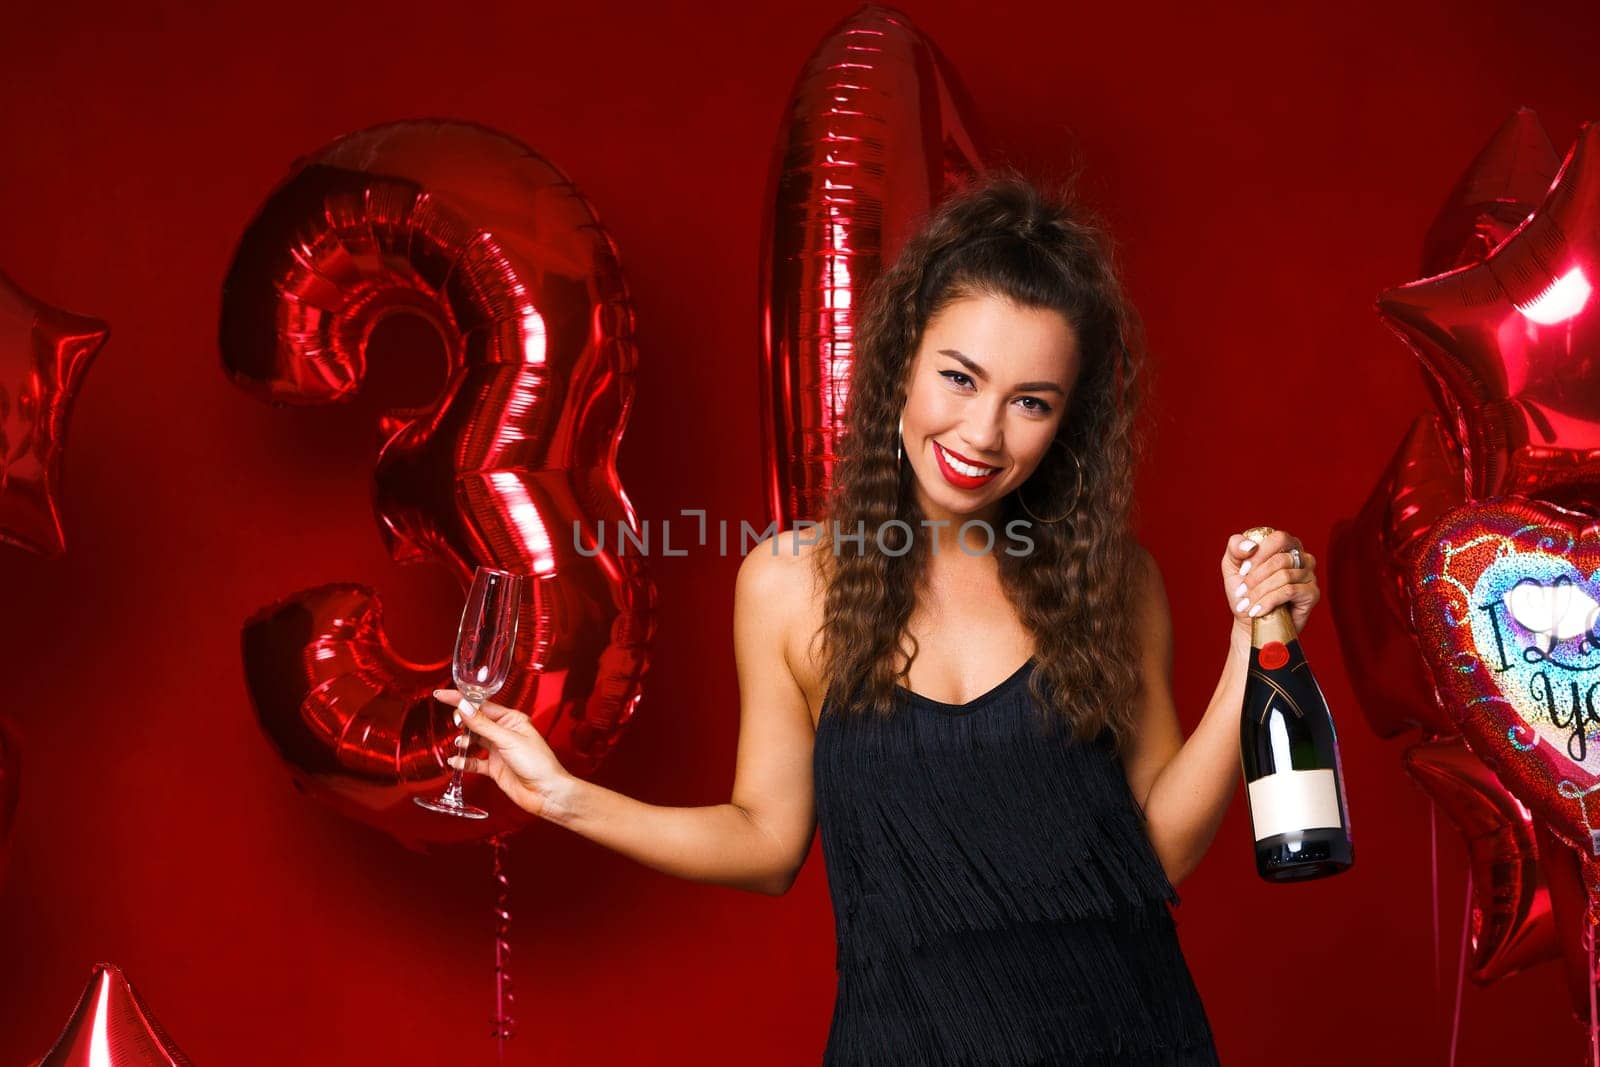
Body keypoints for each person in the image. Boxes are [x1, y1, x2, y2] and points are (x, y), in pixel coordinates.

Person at [433, 171, 1321, 1065]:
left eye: (1030, 402)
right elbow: (767, 840)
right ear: (900, 361)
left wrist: (1254, 644)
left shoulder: (1115, 582)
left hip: (1134, 1038)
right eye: (960, 378)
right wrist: (565, 799)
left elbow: (1156, 851)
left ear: (1066, 424)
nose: (982, 433)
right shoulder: (787, 585)